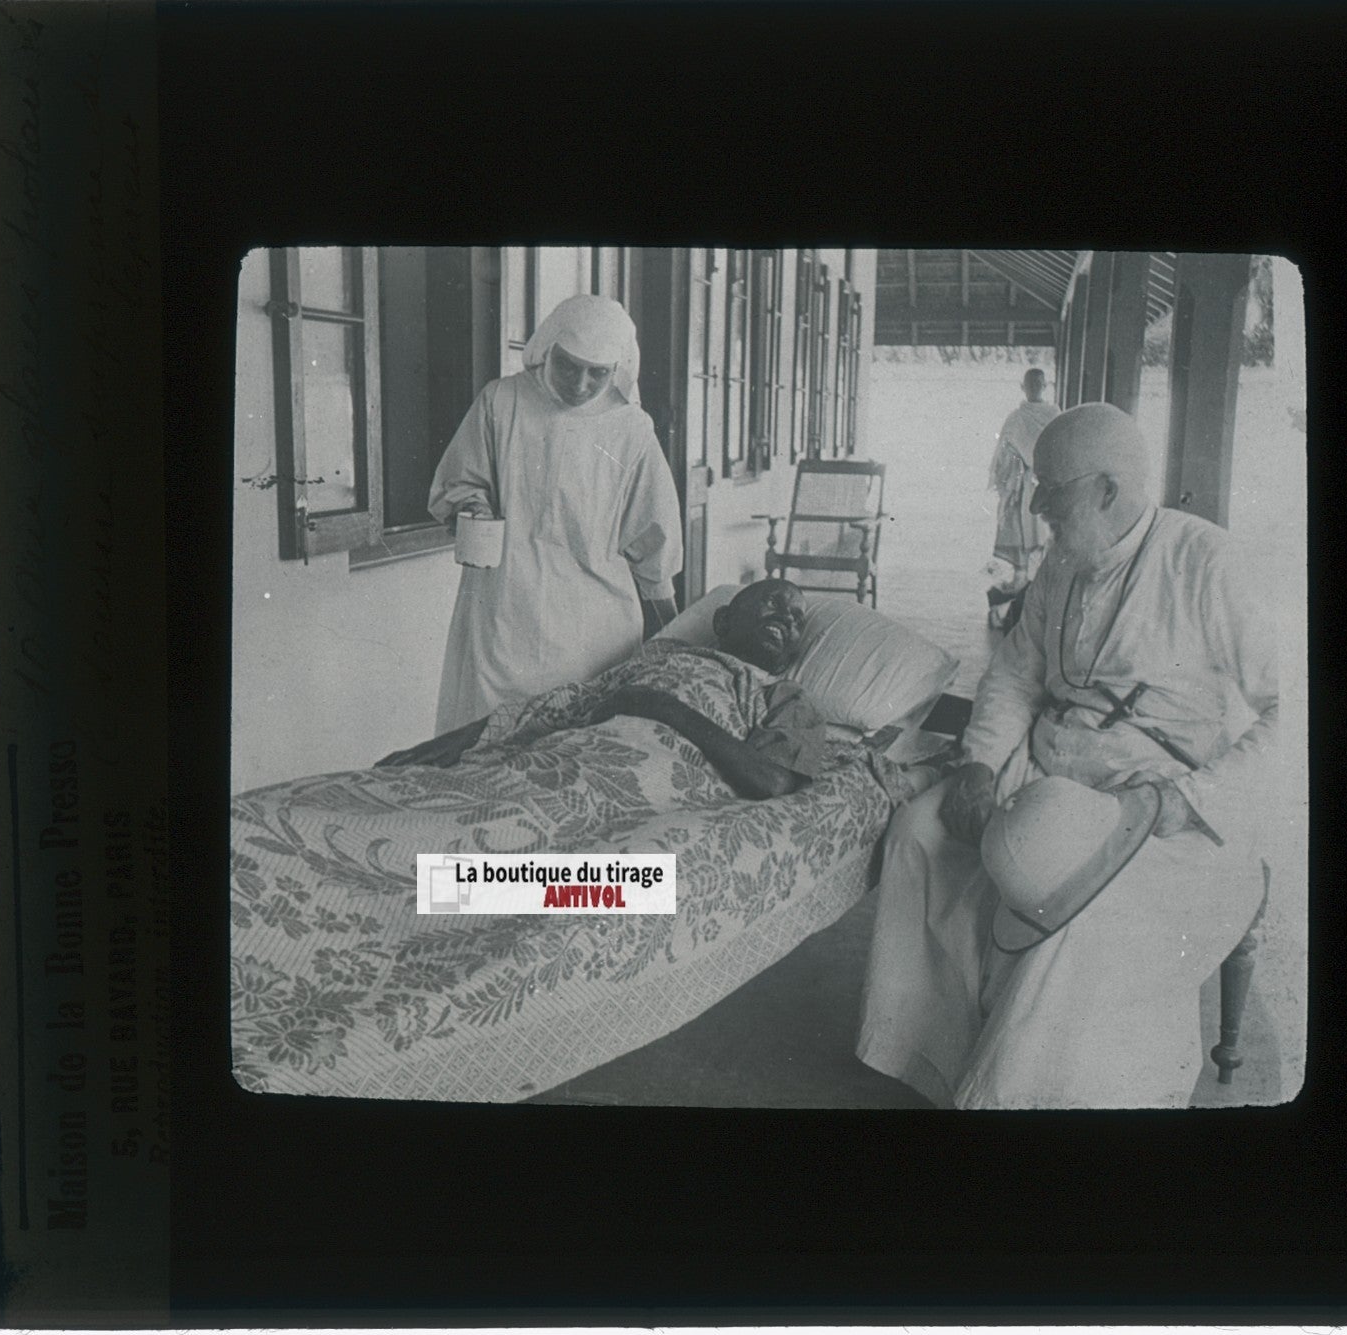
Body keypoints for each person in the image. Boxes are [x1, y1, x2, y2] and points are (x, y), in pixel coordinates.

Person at [859, 401, 1278, 1109]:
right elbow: (1014, 673)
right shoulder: (1061, 562)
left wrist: (1190, 798)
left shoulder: (1207, 561)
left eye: (1051, 487)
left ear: (1107, 491)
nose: (1034, 503)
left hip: (1158, 805)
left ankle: (1014, 1099)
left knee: (1069, 913)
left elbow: (1289, 712)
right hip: (1040, 768)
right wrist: (980, 765)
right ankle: (927, 1052)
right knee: (917, 834)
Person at [427, 293, 683, 735]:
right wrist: (473, 504)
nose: (580, 384)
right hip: (504, 612)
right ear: (548, 349)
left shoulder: (632, 430)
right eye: (568, 365)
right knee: (486, 743)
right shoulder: (501, 402)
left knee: (576, 752)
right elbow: (460, 481)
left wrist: (677, 641)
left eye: (597, 373)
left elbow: (653, 538)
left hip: (594, 629)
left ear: (617, 368)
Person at [379, 579, 823, 801]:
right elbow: (564, 703)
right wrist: (457, 739)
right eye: (772, 601)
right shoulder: (661, 658)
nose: (785, 617)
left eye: (796, 618)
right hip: (568, 752)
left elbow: (772, 780)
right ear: (723, 622)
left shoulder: (782, 695)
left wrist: (665, 709)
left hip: (642, 778)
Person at [987, 368, 1060, 625]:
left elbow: (1059, 451)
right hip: (1019, 490)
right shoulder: (1016, 418)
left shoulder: (1054, 416)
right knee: (1019, 546)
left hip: (1044, 487)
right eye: (1031, 384)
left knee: (1044, 544)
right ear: (1022, 386)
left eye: (1039, 383)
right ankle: (1011, 599)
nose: (1035, 387)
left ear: (1045, 385)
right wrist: (1014, 471)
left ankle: (1032, 602)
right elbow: (1003, 455)